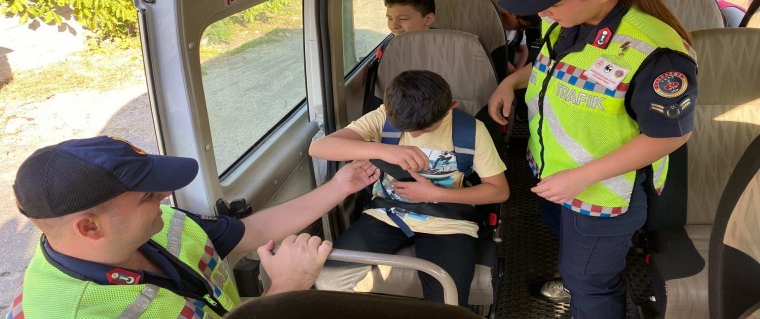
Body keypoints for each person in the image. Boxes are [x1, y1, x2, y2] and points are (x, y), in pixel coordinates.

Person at [488, 0, 698, 319]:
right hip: (556, 174)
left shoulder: (656, 51)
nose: (543, 13)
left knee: (592, 283)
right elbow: (552, 64)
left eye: (552, 3)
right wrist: (510, 82)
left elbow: (671, 134)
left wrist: (580, 177)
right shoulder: (566, 19)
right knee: (576, 260)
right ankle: (575, 278)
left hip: (602, 191)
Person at [8, 135, 380, 318]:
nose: (165, 195)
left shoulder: (159, 224)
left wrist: (338, 187)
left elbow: (251, 232)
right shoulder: (74, 312)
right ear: (89, 228)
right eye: (147, 195)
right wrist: (285, 289)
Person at [310, 70, 510, 306]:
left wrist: (435, 193)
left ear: (451, 108)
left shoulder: (471, 131)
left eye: (424, 129)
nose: (413, 134)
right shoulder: (383, 117)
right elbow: (319, 148)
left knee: (448, 305)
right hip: (387, 213)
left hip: (448, 221)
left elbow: (499, 190)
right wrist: (386, 151)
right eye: (405, 128)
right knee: (327, 281)